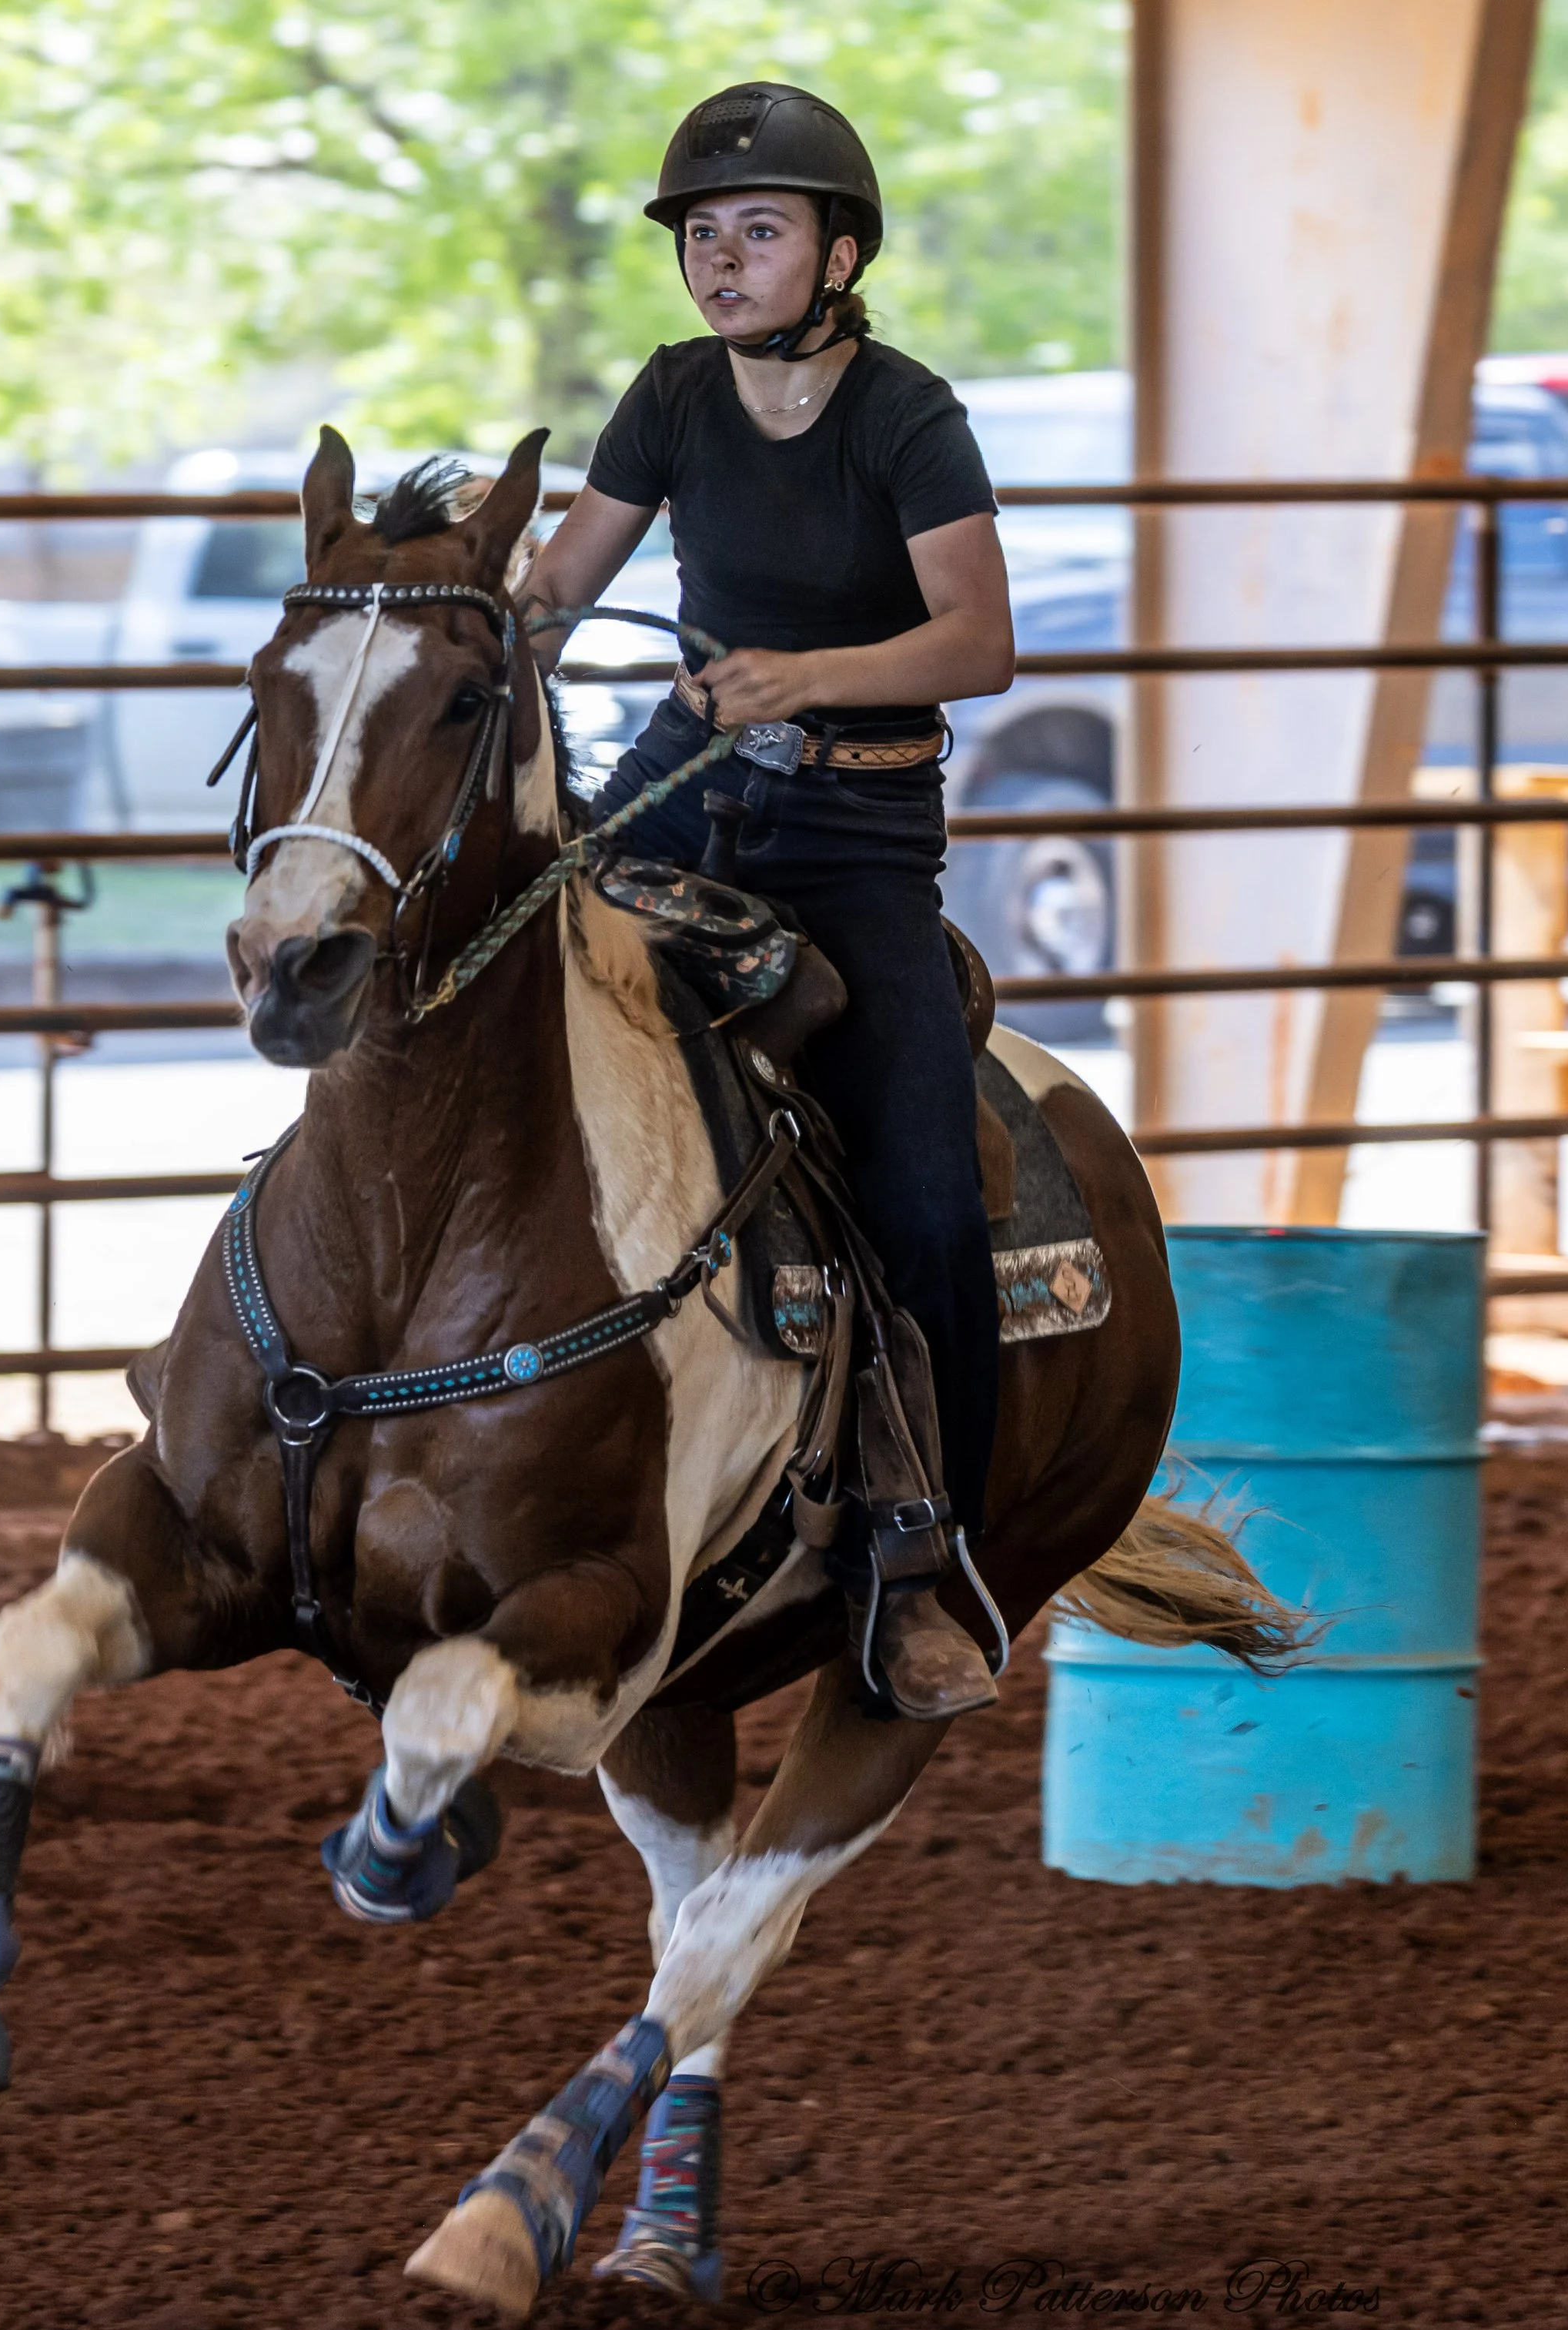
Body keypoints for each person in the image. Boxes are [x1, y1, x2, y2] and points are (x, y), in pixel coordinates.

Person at [521, 82, 1016, 1722]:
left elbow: (974, 641)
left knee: (931, 1194)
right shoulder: (668, 397)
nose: (722, 260)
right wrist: (438, 612)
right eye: (702, 236)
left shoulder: (906, 414)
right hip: (689, 776)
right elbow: (555, 590)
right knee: (506, 1006)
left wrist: (807, 671)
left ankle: (927, 1543)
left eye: (758, 230)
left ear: (836, 252)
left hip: (858, 824)